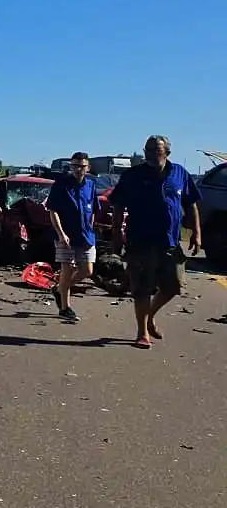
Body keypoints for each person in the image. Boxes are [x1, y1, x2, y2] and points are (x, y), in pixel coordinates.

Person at [107, 135, 202, 349]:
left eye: (155, 151)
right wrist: (115, 235)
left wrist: (197, 232)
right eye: (147, 150)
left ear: (167, 153)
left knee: (174, 286)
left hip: (169, 241)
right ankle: (142, 333)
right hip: (139, 240)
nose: (150, 155)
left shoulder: (180, 174)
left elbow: (191, 204)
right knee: (141, 288)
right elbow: (118, 205)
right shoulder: (133, 176)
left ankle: (149, 316)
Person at [47, 152, 98, 323]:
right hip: (66, 236)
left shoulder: (91, 185)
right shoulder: (61, 185)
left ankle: (59, 289)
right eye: (75, 165)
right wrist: (61, 234)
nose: (78, 169)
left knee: (87, 270)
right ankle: (65, 308)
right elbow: (52, 211)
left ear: (88, 168)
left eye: (82, 166)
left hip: (85, 236)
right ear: (71, 167)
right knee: (67, 270)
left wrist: (90, 227)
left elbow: (93, 210)